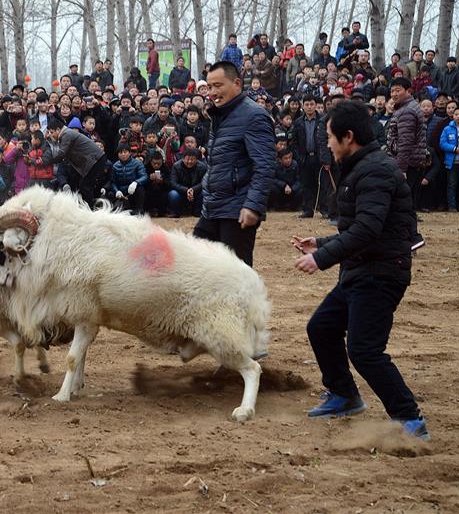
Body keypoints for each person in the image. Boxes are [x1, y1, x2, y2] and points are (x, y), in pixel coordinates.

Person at [292, 100, 427, 441]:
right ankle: (344, 395)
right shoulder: (360, 167)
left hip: (381, 273)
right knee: (321, 328)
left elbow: (368, 230)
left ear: (348, 136)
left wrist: (321, 259)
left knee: (365, 351)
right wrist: (321, 243)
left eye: (329, 137)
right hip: (360, 269)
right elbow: (360, 229)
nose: (327, 143)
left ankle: (409, 419)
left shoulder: (376, 170)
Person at [197, 61, 275, 268]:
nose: (212, 92)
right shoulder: (219, 115)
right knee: (198, 266)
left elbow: (264, 166)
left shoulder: (254, 116)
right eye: (210, 87)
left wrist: (252, 206)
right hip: (212, 207)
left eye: (218, 86)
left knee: (236, 275)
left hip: (237, 210)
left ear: (237, 83)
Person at [42, 117, 107, 208]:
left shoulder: (66, 134)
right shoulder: (66, 134)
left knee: (85, 186)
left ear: (58, 130)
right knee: (84, 185)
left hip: (95, 160)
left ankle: (89, 210)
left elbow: (61, 153)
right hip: (93, 161)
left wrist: (46, 161)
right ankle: (90, 207)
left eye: (52, 132)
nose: (51, 135)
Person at [387, 77, 428, 210]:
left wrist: (402, 168)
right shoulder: (405, 107)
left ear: (408, 91)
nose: (394, 94)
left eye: (397, 90)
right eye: (392, 91)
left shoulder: (407, 111)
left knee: (401, 199)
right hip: (411, 161)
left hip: (407, 162)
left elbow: (405, 142)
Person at [168, 148, 207, 217]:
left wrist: (193, 190)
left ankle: (197, 212)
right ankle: (176, 213)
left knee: (204, 192)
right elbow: (173, 183)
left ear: (196, 159)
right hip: (181, 192)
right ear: (183, 159)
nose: (189, 161)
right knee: (173, 194)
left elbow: (204, 182)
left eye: (192, 159)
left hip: (196, 192)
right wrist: (186, 190)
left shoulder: (202, 167)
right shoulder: (176, 166)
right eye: (187, 159)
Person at [111, 143, 148, 214]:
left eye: (125, 152)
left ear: (130, 153)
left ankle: (139, 209)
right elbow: (113, 181)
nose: (123, 154)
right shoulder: (115, 166)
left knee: (140, 188)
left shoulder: (137, 163)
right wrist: (117, 191)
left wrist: (136, 182)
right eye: (120, 152)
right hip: (121, 194)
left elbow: (144, 176)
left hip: (133, 192)